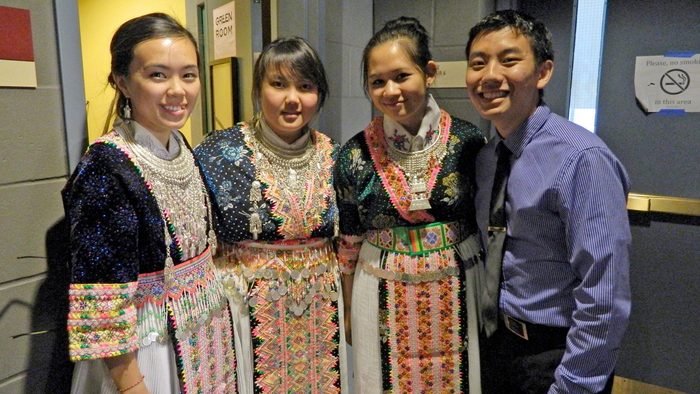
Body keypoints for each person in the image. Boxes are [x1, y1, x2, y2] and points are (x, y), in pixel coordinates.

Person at [62, 13, 236, 394]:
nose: (178, 90)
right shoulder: (107, 166)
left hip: (201, 334)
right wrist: (132, 386)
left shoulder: (181, 146)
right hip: (148, 347)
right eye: (158, 75)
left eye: (189, 75)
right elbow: (101, 294)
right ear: (123, 82)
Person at [465, 10, 632, 394]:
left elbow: (604, 294)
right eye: (478, 63)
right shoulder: (488, 158)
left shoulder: (581, 158)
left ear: (543, 72)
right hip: (497, 344)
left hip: (555, 354)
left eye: (509, 60)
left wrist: (574, 384)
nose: (490, 76)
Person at [335, 16, 486, 393]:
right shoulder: (353, 156)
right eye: (377, 82)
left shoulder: (469, 143)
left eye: (402, 76)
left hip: (459, 284)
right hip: (378, 285)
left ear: (429, 73)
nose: (391, 90)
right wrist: (350, 308)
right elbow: (349, 241)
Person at [194, 37, 347, 393]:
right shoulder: (217, 153)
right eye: (278, 84)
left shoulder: (337, 156)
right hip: (246, 312)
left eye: (305, 86)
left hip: (322, 309)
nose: (292, 99)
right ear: (258, 87)